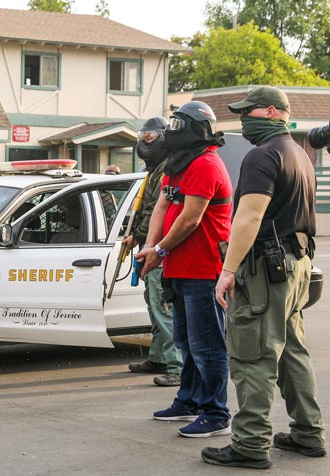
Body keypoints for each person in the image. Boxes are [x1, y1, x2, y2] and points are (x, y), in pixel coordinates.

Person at [201, 87, 326, 469]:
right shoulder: (300, 156)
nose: (242, 120)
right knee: (292, 354)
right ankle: (308, 433)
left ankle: (251, 444)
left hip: (266, 271)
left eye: (247, 112)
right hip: (297, 264)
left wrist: (228, 271)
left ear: (271, 111)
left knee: (252, 356)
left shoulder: (263, 155)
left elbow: (249, 217)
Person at [136, 101, 233, 438]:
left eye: (178, 124)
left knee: (207, 345)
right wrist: (151, 246)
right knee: (186, 342)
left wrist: (160, 250)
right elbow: (162, 206)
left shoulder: (207, 165)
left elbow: (191, 219)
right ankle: (189, 400)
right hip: (178, 268)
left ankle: (216, 413)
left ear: (195, 130)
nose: (170, 130)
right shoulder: (176, 165)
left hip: (204, 270)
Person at [125, 117, 181, 387]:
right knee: (154, 305)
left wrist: (141, 236)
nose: (143, 142)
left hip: (159, 249)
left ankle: (177, 365)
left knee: (163, 308)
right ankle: (158, 357)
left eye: (149, 137)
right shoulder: (155, 169)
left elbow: (156, 210)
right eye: (142, 136)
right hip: (150, 247)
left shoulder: (166, 169)